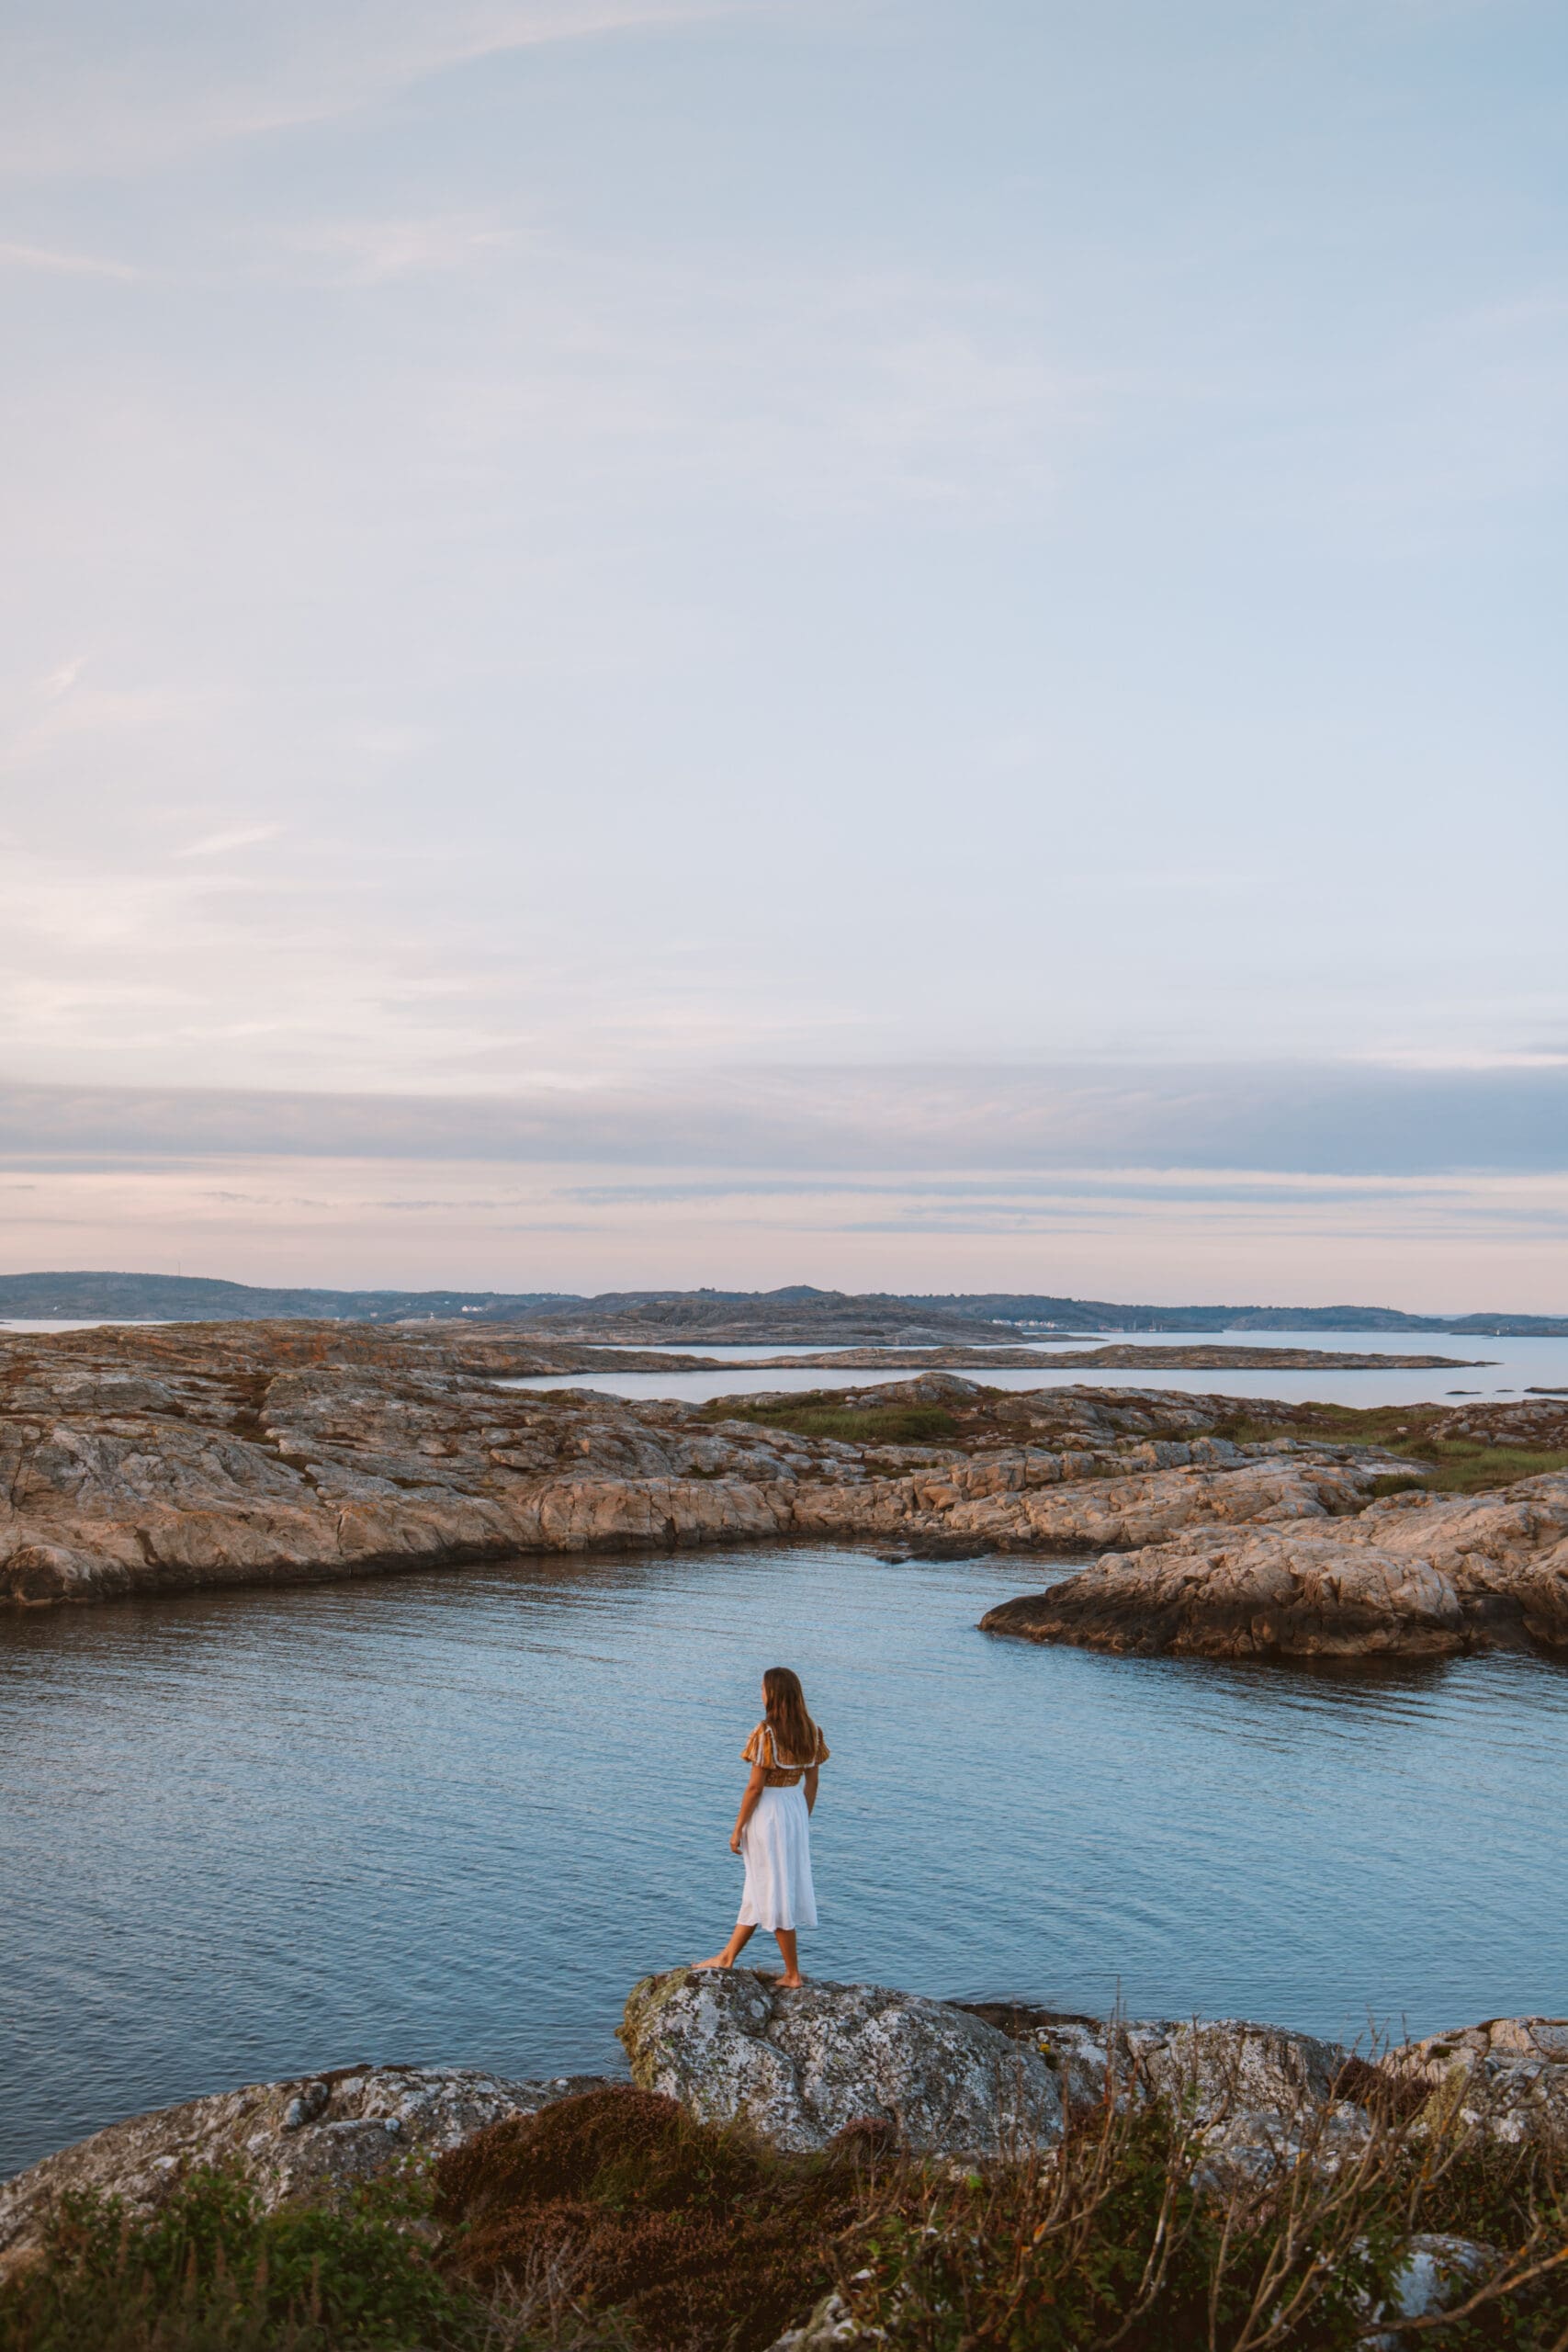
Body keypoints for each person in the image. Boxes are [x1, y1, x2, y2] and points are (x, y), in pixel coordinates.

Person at [694, 1666, 829, 1987]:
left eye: (763, 1688)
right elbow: (812, 1783)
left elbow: (755, 1787)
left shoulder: (766, 1733)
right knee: (758, 1886)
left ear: (774, 1694)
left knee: (773, 1888)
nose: (760, 1693)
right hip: (794, 1809)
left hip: (768, 1812)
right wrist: (800, 1820)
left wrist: (737, 1827)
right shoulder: (812, 1730)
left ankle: (792, 1974)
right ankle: (727, 1957)